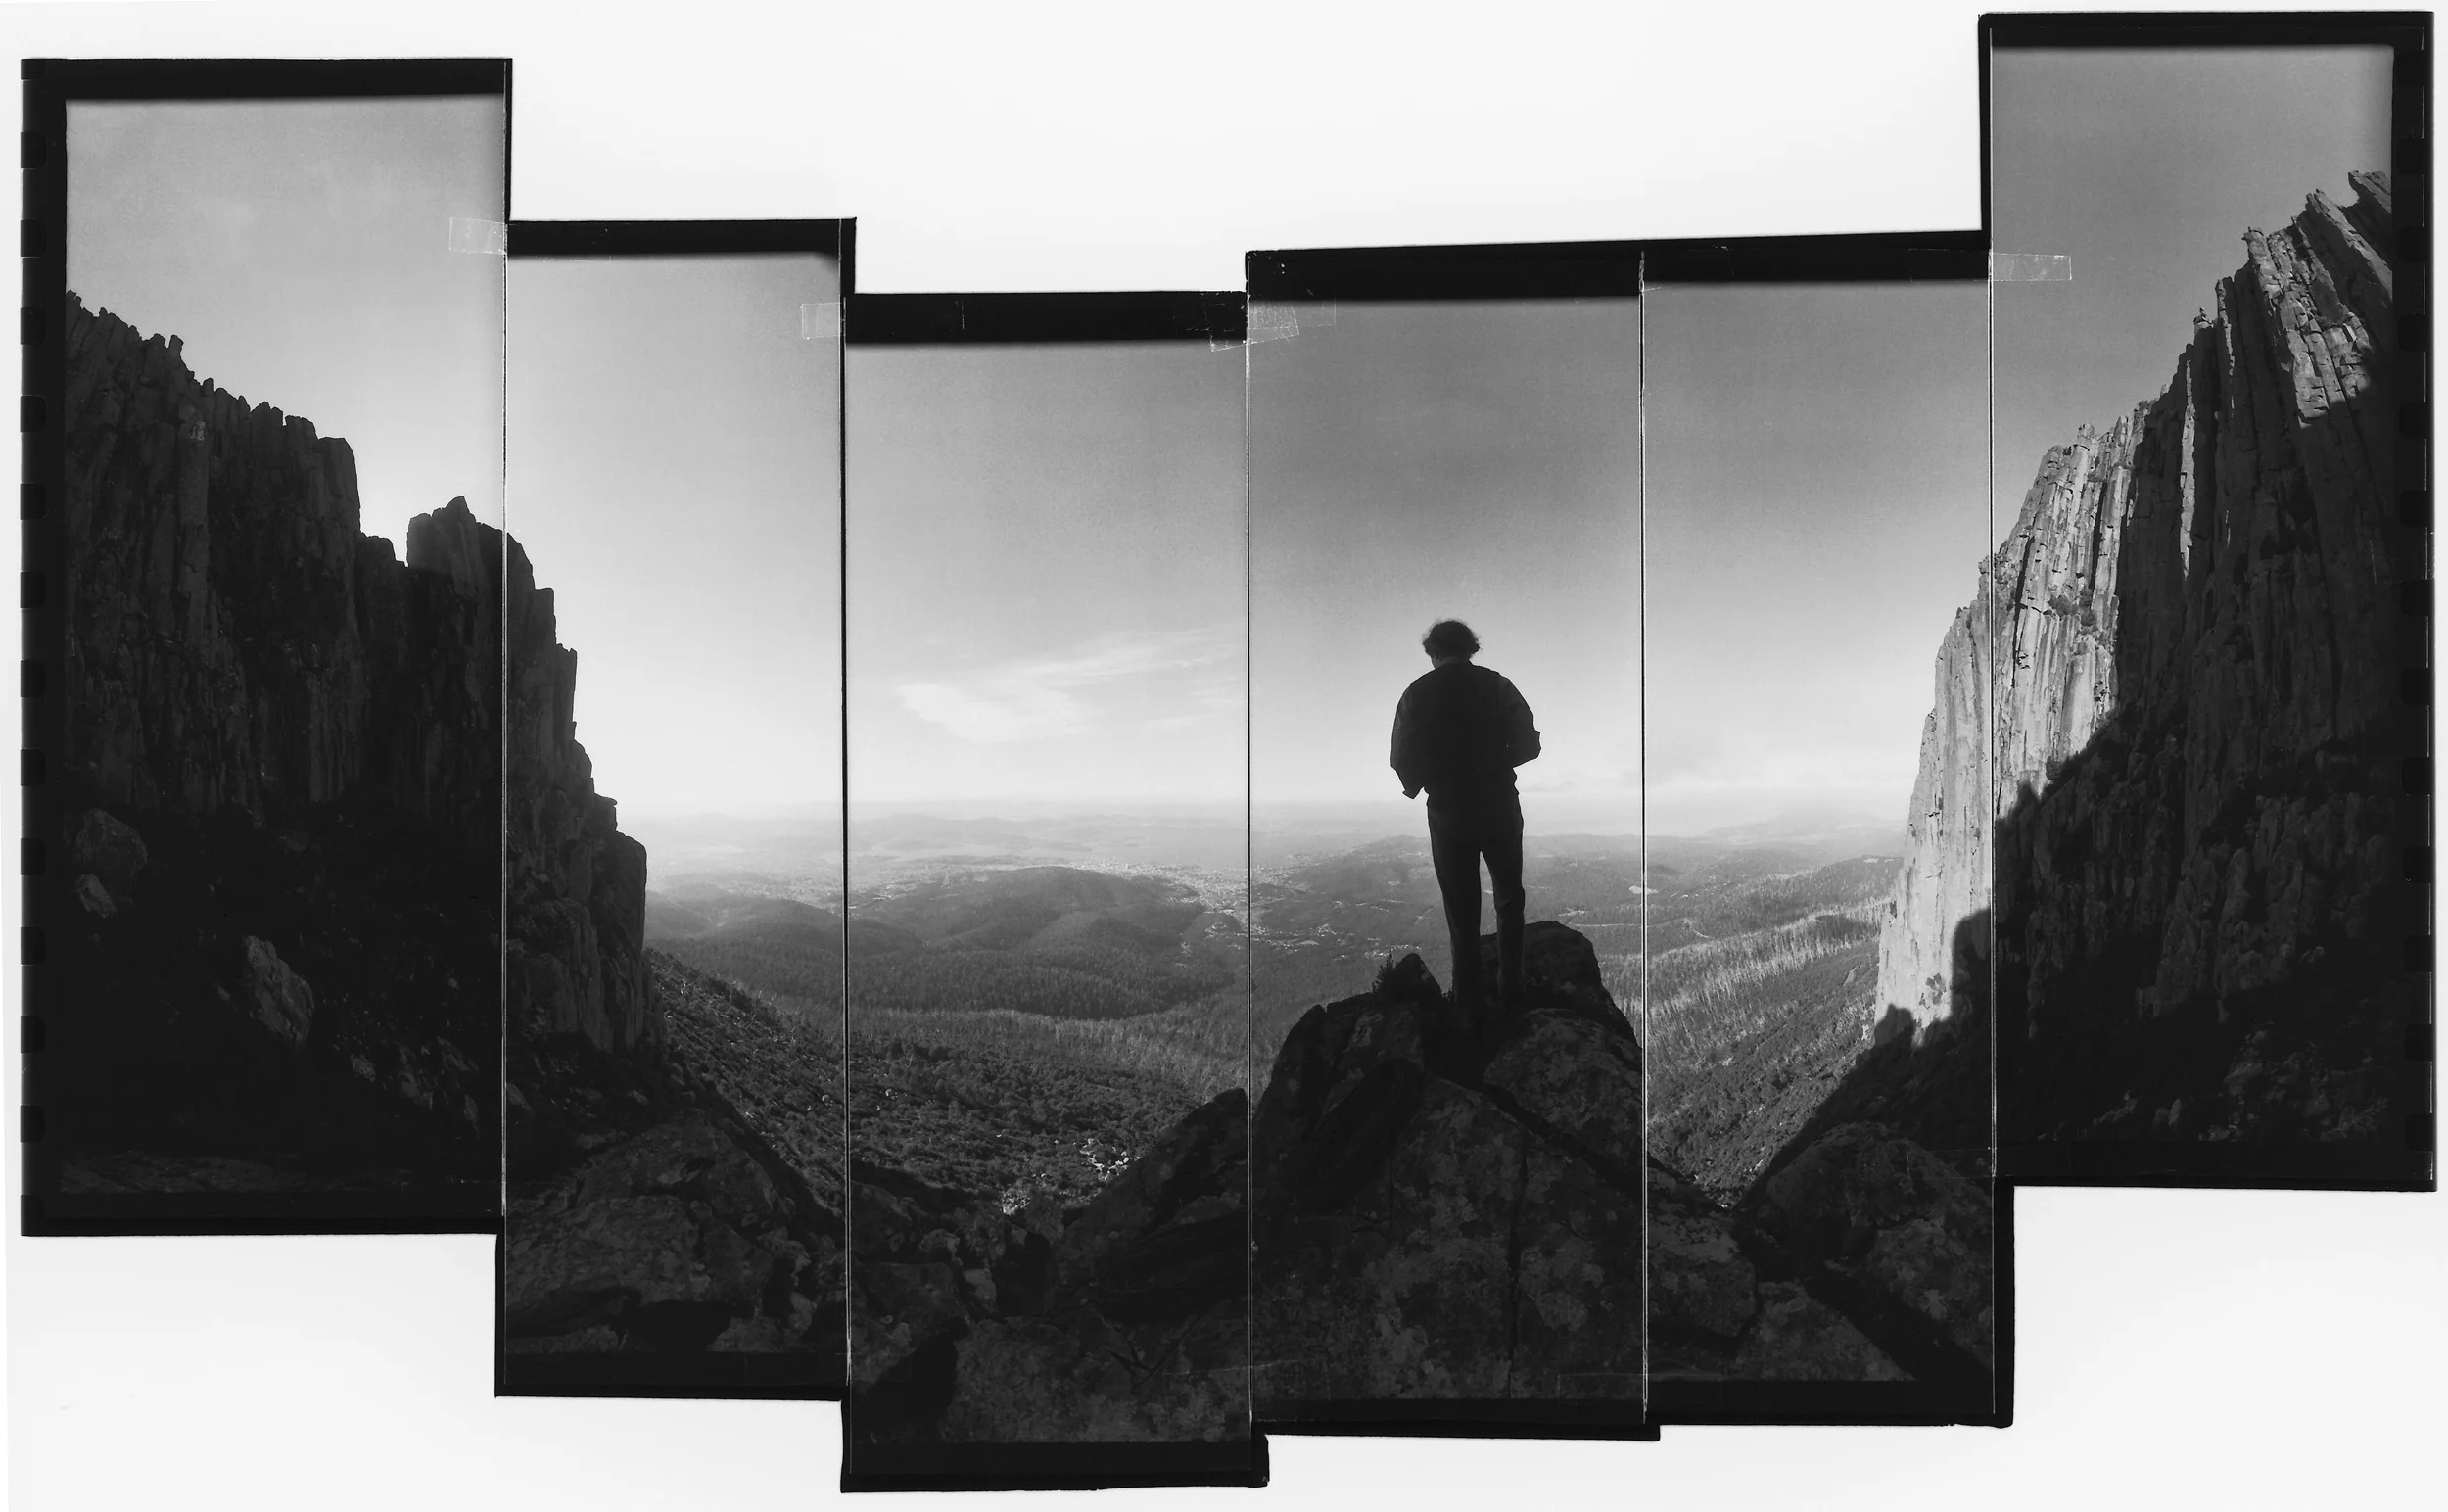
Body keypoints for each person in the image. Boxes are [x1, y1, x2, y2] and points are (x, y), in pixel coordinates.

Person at [1389, 619, 1540, 1016]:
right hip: (1499, 804)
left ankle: (1468, 1004)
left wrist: (1427, 781)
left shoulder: (1416, 694)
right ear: (1470, 648)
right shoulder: (1498, 685)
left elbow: (1402, 759)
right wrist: (1493, 764)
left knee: (1461, 910)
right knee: (1509, 899)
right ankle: (1512, 990)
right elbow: (1529, 743)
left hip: (1448, 811)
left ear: (1435, 652)